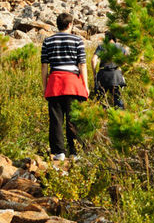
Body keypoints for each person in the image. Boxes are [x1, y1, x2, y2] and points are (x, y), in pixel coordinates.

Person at [41, 12, 89, 161]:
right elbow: (82, 65)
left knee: (56, 120)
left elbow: (44, 66)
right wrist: (86, 86)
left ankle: (58, 152)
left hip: (55, 82)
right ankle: (74, 152)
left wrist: (44, 86)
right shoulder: (77, 40)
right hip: (72, 83)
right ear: (70, 24)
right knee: (73, 119)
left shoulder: (48, 41)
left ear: (58, 24)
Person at [93, 33, 128, 109]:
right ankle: (119, 118)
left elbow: (93, 60)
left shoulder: (101, 46)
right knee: (118, 100)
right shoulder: (120, 47)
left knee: (101, 100)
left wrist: (94, 73)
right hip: (116, 75)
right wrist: (122, 72)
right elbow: (127, 60)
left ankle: (103, 117)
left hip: (103, 75)